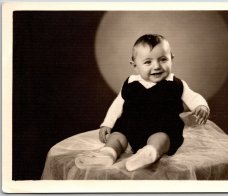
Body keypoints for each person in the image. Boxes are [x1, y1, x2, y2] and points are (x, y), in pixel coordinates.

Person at [75, 34, 210, 171]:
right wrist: (107, 124)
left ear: (171, 59)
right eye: (148, 62)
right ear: (135, 66)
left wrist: (201, 106)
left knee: (161, 138)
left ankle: (149, 153)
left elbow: (193, 97)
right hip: (130, 128)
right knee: (116, 136)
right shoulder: (130, 83)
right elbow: (117, 105)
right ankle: (107, 154)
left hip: (163, 128)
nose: (157, 66)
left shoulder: (176, 84)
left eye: (163, 59)